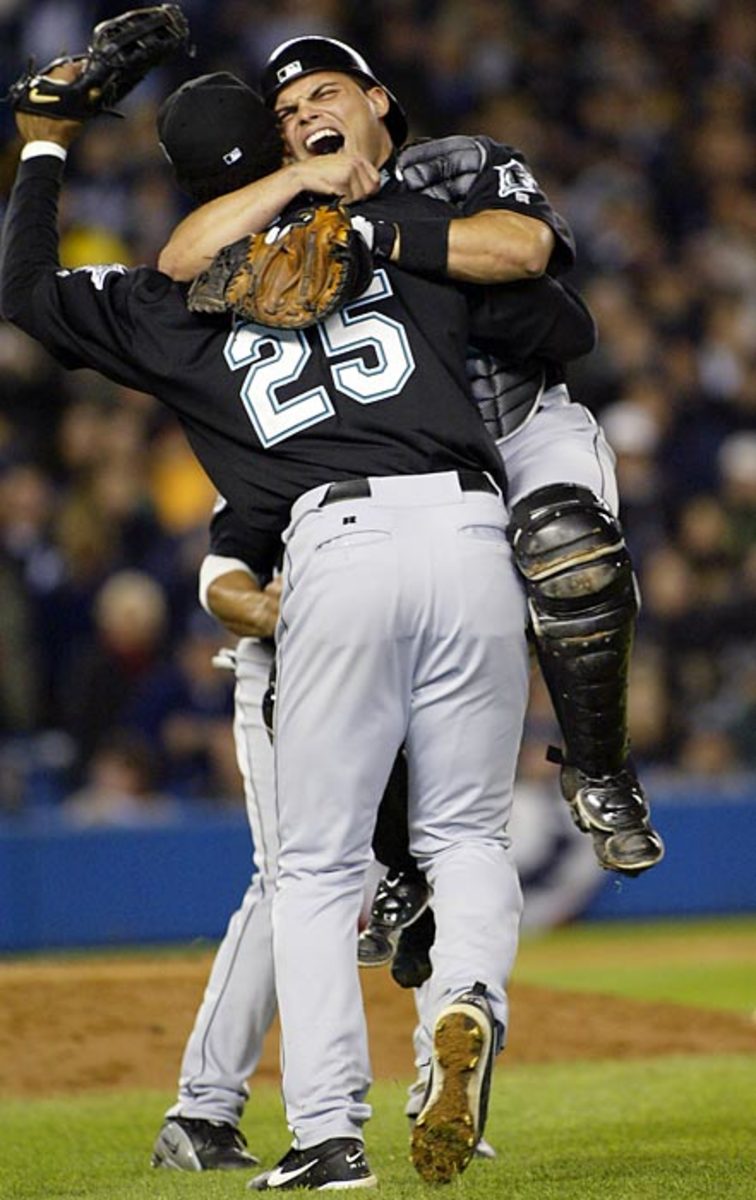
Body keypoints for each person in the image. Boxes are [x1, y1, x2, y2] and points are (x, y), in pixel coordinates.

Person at [0, 49, 596, 1189]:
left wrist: (42, 143)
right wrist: (375, 213)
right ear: (284, 150)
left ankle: (329, 1136)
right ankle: (466, 1002)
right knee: (466, 837)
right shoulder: (393, 226)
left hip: (335, 549)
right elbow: (553, 316)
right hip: (474, 531)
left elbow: (28, 291)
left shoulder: (168, 306)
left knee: (315, 874)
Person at [160, 37, 664, 884]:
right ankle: (397, 869)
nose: (305, 115)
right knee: (337, 649)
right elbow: (180, 262)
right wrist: (294, 190)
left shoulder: (458, 164)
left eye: (324, 93)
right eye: (285, 115)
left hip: (517, 420)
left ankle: (602, 769)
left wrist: (370, 229)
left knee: (567, 544)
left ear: (377, 99)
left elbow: (524, 250)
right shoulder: (282, 209)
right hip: (402, 467)